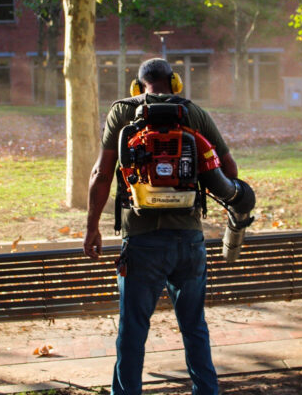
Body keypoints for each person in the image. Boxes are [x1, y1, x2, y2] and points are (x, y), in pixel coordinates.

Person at [84, 58, 239, 395]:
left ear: (138, 87)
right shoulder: (194, 113)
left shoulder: (122, 112)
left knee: (133, 330)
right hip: (189, 242)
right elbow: (229, 169)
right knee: (194, 327)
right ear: (175, 82)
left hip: (141, 242)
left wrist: (91, 227)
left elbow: (101, 173)